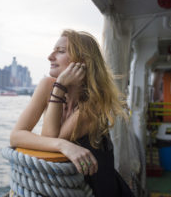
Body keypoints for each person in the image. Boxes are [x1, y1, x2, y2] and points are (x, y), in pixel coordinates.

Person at [10, 29, 134, 196]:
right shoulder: (47, 85)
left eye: (60, 51)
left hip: (97, 188)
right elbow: (15, 136)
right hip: (64, 184)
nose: (50, 57)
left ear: (81, 61)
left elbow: (50, 141)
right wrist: (64, 145)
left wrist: (60, 87)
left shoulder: (94, 103)